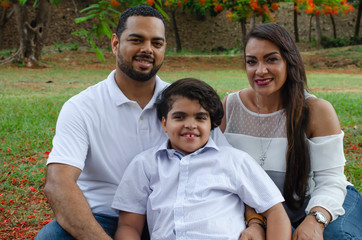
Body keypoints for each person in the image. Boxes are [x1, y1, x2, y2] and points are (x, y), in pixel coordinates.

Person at [35, 5, 228, 240]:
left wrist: (254, 221)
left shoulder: (186, 104)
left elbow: (229, 165)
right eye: (137, 40)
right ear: (115, 43)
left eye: (157, 43)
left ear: (164, 48)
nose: (147, 49)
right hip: (101, 219)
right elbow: (59, 183)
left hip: (173, 217)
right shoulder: (82, 107)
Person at [220, 23, 362, 240]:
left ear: (289, 61)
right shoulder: (229, 108)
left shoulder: (316, 110)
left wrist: (316, 221)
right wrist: (255, 221)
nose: (260, 70)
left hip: (320, 201)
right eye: (251, 62)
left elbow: (331, 180)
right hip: (262, 211)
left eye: (271, 59)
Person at [112, 78, 292, 240]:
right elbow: (129, 226)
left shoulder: (234, 161)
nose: (190, 125)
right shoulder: (145, 164)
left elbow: (275, 211)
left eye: (200, 118)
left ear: (211, 124)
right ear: (165, 123)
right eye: (179, 117)